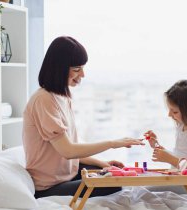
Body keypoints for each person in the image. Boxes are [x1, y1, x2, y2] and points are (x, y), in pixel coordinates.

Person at [23, 36, 144, 198]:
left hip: (68, 174)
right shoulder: (43, 100)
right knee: (112, 184)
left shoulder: (63, 97)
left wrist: (101, 164)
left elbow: (70, 149)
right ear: (59, 68)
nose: (83, 74)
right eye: (76, 69)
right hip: (48, 186)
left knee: (113, 175)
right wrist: (113, 143)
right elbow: (68, 151)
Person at [144, 80, 187, 193]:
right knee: (141, 188)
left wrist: (169, 159)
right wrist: (158, 146)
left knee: (143, 191)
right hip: (180, 179)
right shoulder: (181, 128)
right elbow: (180, 156)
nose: (169, 115)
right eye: (169, 110)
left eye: (174, 112)